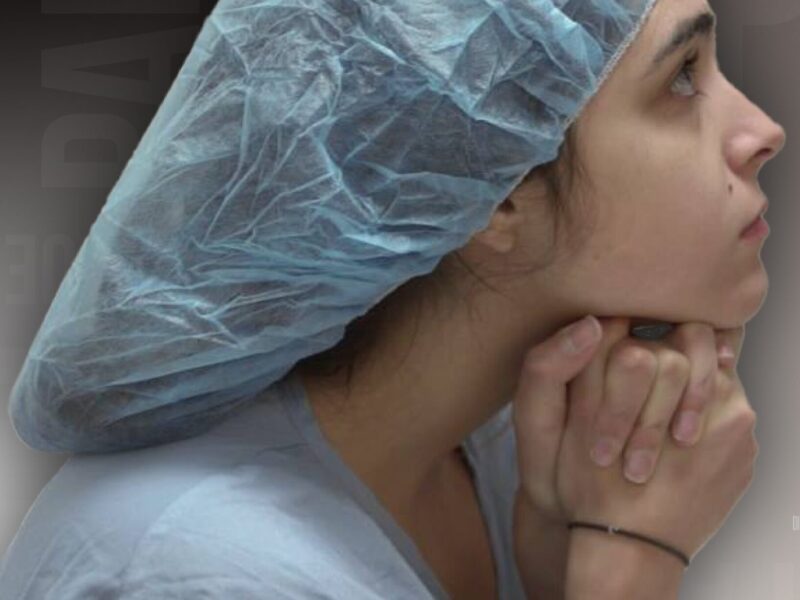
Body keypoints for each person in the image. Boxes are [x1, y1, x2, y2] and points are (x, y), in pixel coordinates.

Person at [1, 0, 785, 598]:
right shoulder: (198, 571)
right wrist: (630, 564)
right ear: (498, 192)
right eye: (682, 78)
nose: (764, 129)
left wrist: (555, 555)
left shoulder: (514, 450)